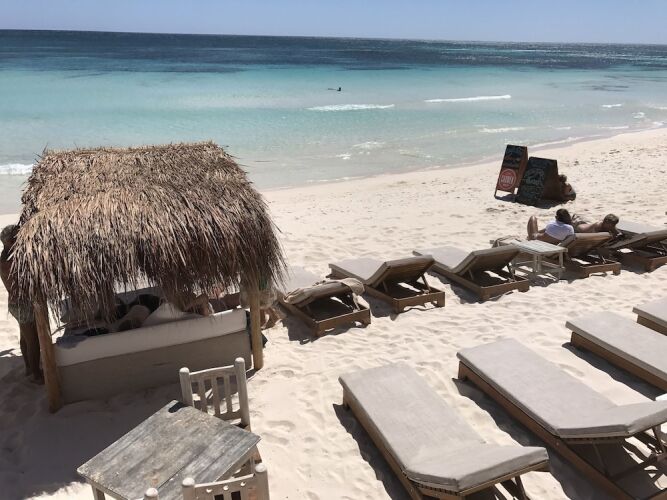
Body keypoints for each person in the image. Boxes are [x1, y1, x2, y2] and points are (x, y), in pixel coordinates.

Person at [0, 225, 42, 382]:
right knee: (33, 340)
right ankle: (36, 374)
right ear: (9, 241)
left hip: (15, 303)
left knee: (25, 337)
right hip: (22, 303)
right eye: (16, 238)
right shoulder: (11, 260)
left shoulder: (4, 257)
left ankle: (29, 368)